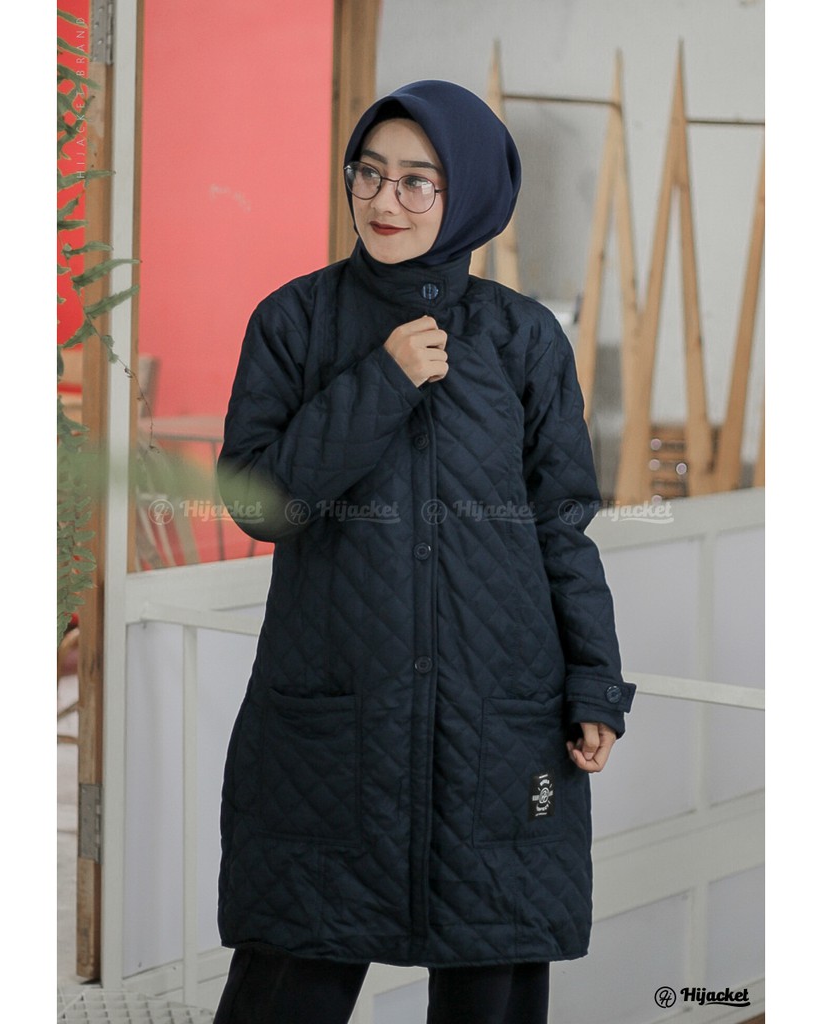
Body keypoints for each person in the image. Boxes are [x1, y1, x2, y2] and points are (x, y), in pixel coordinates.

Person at [213, 80, 635, 1024]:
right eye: (368, 173)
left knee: (491, 967)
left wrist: (594, 683)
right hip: (334, 725)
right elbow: (257, 503)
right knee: (290, 975)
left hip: (499, 724)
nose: (384, 201)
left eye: (417, 181)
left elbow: (560, 526)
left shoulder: (524, 339)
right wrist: (383, 380)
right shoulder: (294, 322)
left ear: (468, 194)